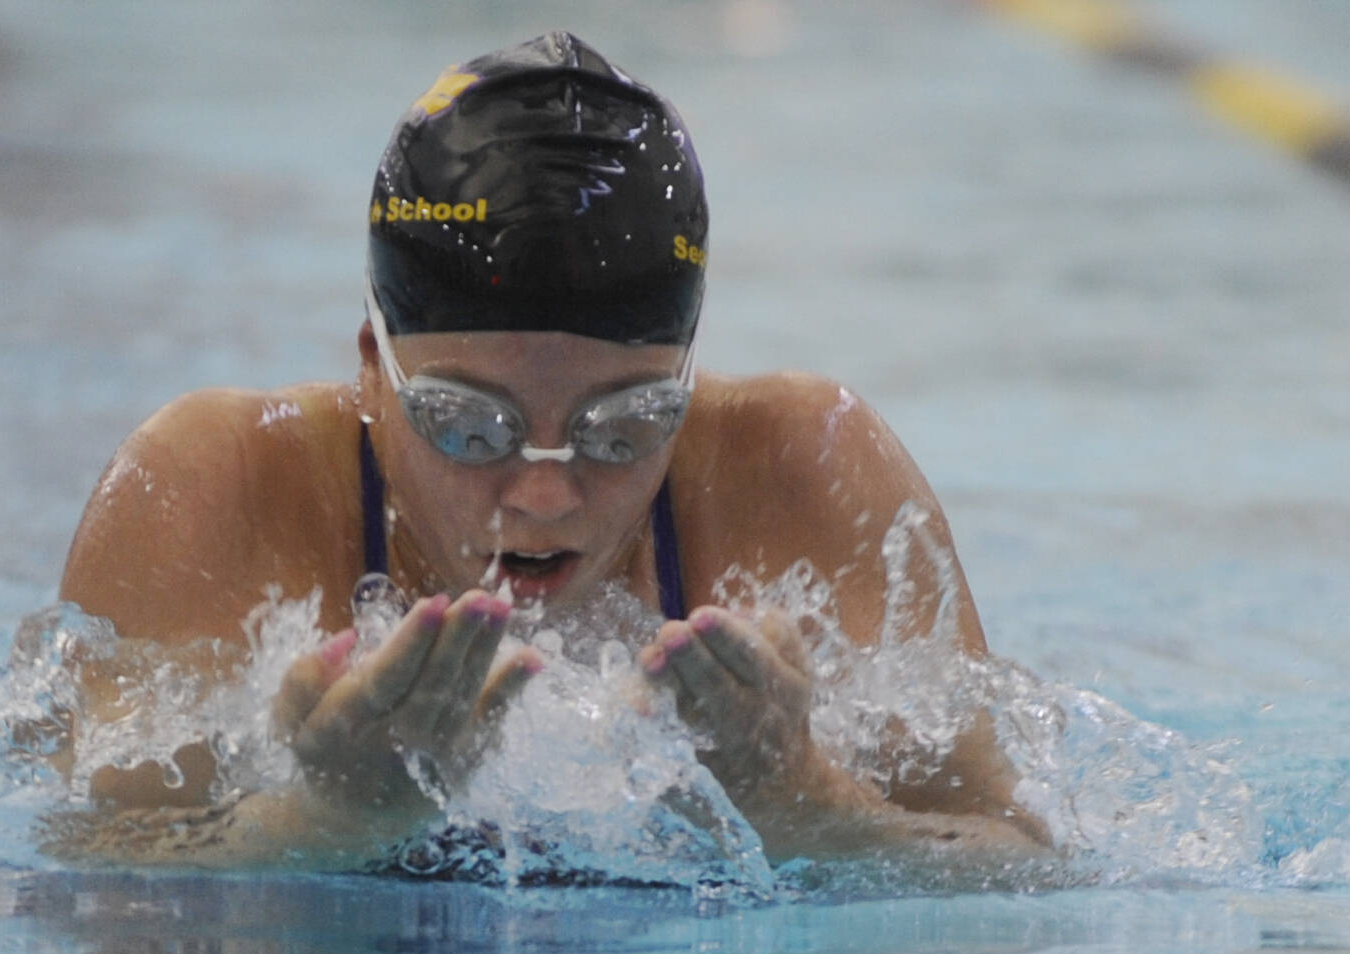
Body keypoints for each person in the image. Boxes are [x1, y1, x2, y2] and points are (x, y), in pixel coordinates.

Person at [53, 31, 1050, 867]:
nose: (540, 494)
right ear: (371, 367)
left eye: (619, 427)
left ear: (686, 387)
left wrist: (798, 797)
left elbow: (1016, 863)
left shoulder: (804, 473)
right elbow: (81, 867)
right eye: (466, 424)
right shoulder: (212, 490)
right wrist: (325, 819)